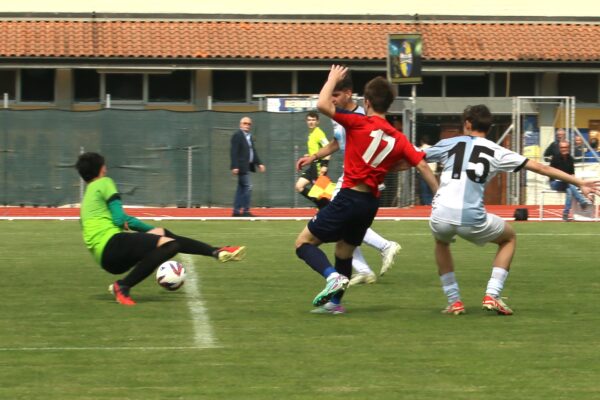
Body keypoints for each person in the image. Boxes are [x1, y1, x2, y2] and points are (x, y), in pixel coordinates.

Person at [423, 105, 599, 316]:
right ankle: (492, 295)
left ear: (467, 124)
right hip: (471, 217)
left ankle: (454, 301)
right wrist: (578, 181)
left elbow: (415, 157)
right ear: (488, 127)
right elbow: (542, 168)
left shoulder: (449, 143)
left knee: (441, 243)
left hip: (440, 213)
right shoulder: (497, 151)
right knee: (509, 238)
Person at [294, 65, 438, 314]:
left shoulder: (358, 122)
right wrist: (439, 196)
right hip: (370, 203)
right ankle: (336, 304)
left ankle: (331, 277)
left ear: (367, 101)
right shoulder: (398, 138)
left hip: (349, 196)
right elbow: (420, 164)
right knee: (344, 251)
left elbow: (322, 104)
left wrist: (331, 79)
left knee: (303, 243)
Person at [76, 152, 246, 306]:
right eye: (104, 165)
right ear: (101, 168)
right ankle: (122, 286)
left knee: (163, 234)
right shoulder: (104, 183)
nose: (106, 168)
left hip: (107, 260)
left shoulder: (86, 203)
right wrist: (144, 229)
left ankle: (216, 251)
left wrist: (152, 231)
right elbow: (120, 219)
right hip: (113, 244)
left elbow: (110, 225)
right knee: (170, 245)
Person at [314, 69, 403, 286]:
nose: (332, 99)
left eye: (336, 95)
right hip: (349, 176)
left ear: (348, 93)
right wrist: (313, 156)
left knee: (333, 213)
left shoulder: (362, 117)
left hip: (356, 179)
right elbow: (337, 143)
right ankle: (363, 269)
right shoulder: (341, 116)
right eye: (331, 95)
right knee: (335, 216)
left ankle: (384, 246)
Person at [230, 116, 266, 217]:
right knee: (248, 187)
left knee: (241, 188)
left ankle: (236, 211)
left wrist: (259, 164)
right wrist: (234, 166)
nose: (247, 125)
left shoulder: (249, 136)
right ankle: (245, 211)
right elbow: (234, 152)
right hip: (241, 167)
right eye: (245, 123)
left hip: (247, 166)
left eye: (249, 124)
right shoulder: (237, 135)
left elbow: (253, 152)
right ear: (240, 124)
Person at [294, 111, 331, 209]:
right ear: (306, 121)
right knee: (299, 186)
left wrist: (325, 165)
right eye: (309, 120)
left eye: (313, 120)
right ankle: (321, 205)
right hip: (312, 166)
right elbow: (316, 151)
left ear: (317, 122)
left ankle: (325, 207)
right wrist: (308, 156)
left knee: (321, 194)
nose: (311, 122)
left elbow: (328, 149)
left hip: (319, 167)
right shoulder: (311, 134)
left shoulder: (319, 133)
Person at [549, 140, 593, 221]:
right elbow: (550, 173)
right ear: (559, 148)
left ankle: (565, 214)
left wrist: (572, 181)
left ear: (568, 148)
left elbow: (572, 175)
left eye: (565, 147)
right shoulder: (555, 158)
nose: (564, 149)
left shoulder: (570, 159)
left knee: (569, 189)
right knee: (568, 184)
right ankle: (582, 201)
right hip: (555, 183)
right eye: (562, 147)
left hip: (567, 183)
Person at [417, 135, 436, 205]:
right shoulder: (433, 148)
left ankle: (426, 204)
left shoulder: (420, 149)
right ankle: (432, 203)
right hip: (433, 172)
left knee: (424, 190)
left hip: (423, 173)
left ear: (422, 141)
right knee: (431, 189)